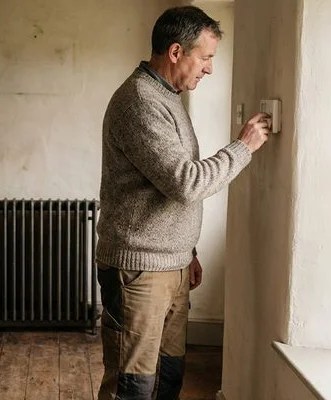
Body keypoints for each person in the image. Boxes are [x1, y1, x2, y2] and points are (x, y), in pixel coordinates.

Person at [95, 5, 271, 399]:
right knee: (132, 387)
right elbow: (186, 182)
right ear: (176, 52)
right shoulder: (140, 102)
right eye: (205, 57)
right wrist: (243, 147)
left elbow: (168, 182)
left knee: (168, 379)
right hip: (139, 271)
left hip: (171, 265)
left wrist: (187, 251)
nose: (209, 68)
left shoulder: (168, 96)